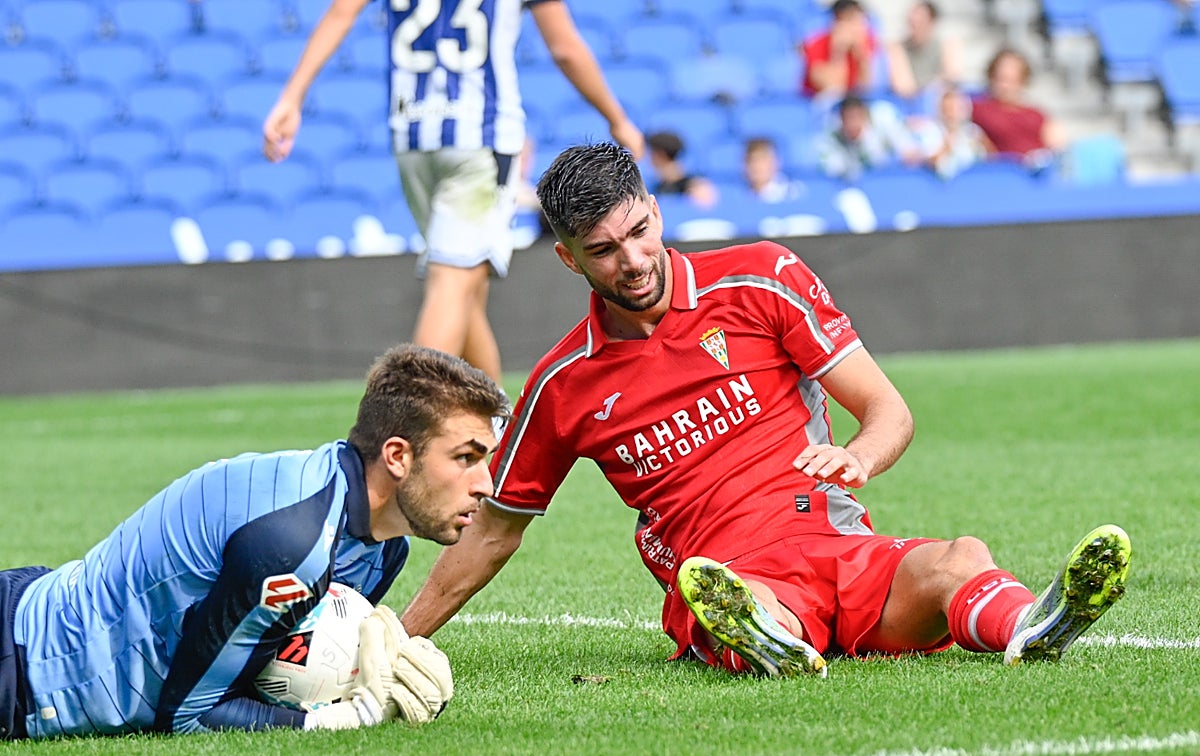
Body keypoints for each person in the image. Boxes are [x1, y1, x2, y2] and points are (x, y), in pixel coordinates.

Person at [398, 142, 1132, 682]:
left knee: (960, 558)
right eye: (604, 249)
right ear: (569, 260)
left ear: (655, 211)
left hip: (835, 544)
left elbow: (887, 410)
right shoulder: (564, 384)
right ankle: (767, 638)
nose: (633, 259)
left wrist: (860, 456)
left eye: (639, 231)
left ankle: (1032, 629)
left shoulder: (761, 280)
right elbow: (493, 535)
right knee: (740, 600)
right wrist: (398, 642)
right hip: (728, 573)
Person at [0, 345, 510, 740]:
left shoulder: (382, 547)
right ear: (397, 456)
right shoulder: (291, 542)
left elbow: (273, 668)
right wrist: (351, 718)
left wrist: (379, 672)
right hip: (19, 671)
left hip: (34, 602)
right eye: (466, 457)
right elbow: (189, 715)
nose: (485, 484)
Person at [262, 0, 645, 384]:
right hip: (479, 140)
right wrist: (617, 118)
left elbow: (340, 13)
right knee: (453, 283)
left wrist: (292, 97)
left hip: (413, 139)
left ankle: (495, 432)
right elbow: (564, 48)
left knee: (466, 291)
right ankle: (410, 416)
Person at [970, 47, 1067, 170]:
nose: (1005, 86)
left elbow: (1057, 144)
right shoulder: (978, 109)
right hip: (1002, 173)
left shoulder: (1036, 114)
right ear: (991, 77)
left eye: (1012, 80)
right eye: (1001, 79)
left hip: (1037, 173)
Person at [816, 94, 921, 180]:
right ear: (841, 119)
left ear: (864, 115)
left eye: (855, 117)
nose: (852, 123)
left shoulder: (883, 119)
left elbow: (908, 152)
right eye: (848, 118)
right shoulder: (832, 134)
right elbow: (832, 168)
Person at [886, 1, 961, 105]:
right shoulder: (898, 48)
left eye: (920, 22)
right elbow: (904, 88)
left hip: (936, 103)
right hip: (908, 105)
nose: (914, 26)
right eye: (911, 22)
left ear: (932, 22)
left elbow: (950, 79)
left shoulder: (946, 45)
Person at [800, 0, 877, 100]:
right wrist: (838, 51)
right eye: (848, 20)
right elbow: (833, 88)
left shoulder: (866, 41)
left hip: (856, 102)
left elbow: (867, 87)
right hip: (822, 102)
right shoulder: (816, 44)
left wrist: (860, 54)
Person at [914, 85, 993, 179]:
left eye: (959, 108)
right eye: (949, 109)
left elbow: (992, 159)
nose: (953, 114)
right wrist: (948, 144)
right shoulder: (930, 130)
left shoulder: (973, 131)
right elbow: (929, 163)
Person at [645, 131, 719, 209]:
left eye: (650, 153)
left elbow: (707, 210)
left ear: (660, 155)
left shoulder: (696, 185)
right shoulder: (655, 187)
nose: (648, 159)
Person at [742, 136, 802, 204]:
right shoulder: (739, 196)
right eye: (751, 160)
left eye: (762, 159)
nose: (756, 166)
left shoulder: (794, 194)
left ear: (777, 161)